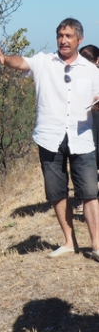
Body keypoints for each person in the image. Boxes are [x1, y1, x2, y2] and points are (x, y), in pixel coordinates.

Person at [0, 18, 99, 261]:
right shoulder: (44, 61)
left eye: (68, 36)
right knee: (57, 192)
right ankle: (69, 242)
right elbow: (20, 62)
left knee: (89, 192)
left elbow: (97, 98)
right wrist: (3, 59)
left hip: (81, 138)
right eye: (60, 35)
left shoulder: (91, 70)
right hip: (49, 136)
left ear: (80, 39)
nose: (63, 40)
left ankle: (97, 245)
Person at [75, 44, 99, 213]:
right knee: (84, 164)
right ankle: (83, 198)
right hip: (84, 125)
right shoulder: (74, 77)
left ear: (97, 60)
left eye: (89, 59)